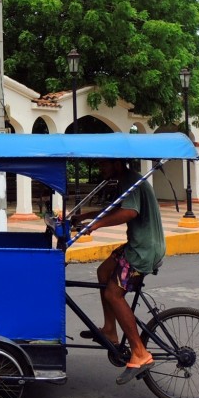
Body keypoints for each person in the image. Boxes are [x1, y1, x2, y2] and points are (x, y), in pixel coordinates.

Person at [71, 158, 164, 385]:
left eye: (104, 165)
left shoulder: (130, 180)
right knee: (104, 272)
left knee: (114, 294)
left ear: (116, 164)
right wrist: (85, 217)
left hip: (143, 250)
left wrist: (95, 225)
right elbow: (115, 208)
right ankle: (110, 330)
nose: (101, 168)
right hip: (137, 245)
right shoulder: (126, 181)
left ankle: (140, 353)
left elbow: (129, 212)